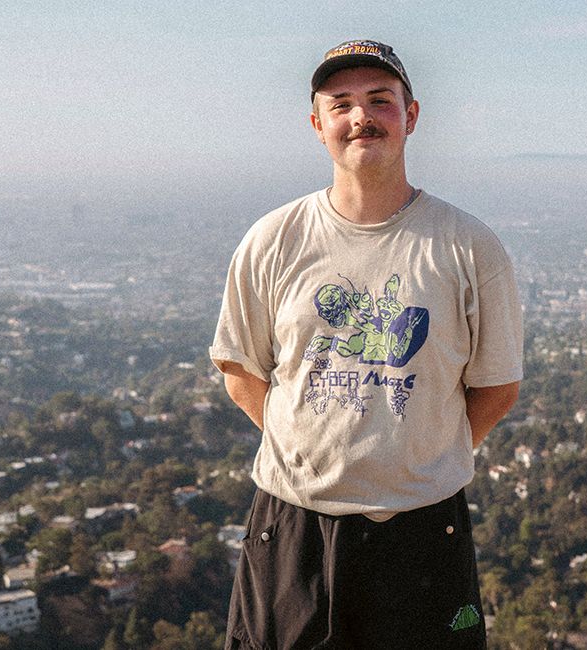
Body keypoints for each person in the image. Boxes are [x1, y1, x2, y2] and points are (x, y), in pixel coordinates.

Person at [210, 39, 524, 650]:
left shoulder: (468, 247)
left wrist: (412, 460)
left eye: (380, 100)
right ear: (317, 124)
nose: (361, 117)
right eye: (341, 103)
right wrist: (310, 450)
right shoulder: (273, 240)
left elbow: (497, 388)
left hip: (423, 533)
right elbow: (240, 368)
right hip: (293, 527)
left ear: (410, 116)